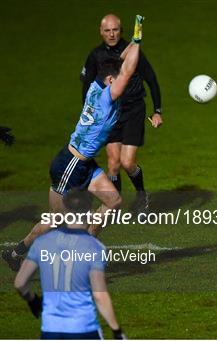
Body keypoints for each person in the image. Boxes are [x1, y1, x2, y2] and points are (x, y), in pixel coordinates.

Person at [2, 15, 144, 272]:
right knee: (58, 223)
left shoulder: (95, 86)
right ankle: (17, 251)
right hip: (69, 165)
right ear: (110, 81)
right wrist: (136, 38)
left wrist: (132, 45)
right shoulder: (105, 100)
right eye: (119, 81)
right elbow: (127, 70)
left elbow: (122, 66)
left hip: (85, 164)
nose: (124, 85)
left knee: (113, 202)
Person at [14, 189, 126, 339]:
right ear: (89, 211)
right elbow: (100, 296)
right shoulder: (94, 247)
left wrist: (33, 301)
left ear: (65, 210)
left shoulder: (42, 243)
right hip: (84, 328)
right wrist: (116, 331)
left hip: (50, 330)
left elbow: (20, 283)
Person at [81, 14, 163, 213]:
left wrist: (157, 111)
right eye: (107, 30)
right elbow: (87, 87)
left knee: (127, 162)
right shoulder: (95, 56)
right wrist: (89, 114)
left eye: (115, 30)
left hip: (133, 110)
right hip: (109, 113)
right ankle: (114, 205)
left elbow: (151, 79)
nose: (111, 34)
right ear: (101, 32)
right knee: (113, 164)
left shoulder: (134, 52)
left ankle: (142, 196)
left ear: (121, 30)